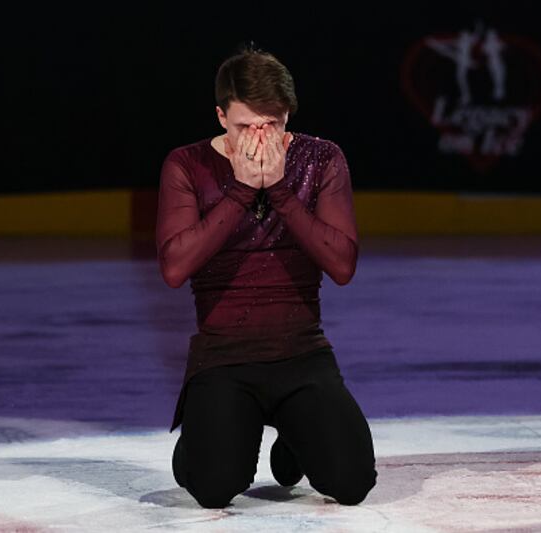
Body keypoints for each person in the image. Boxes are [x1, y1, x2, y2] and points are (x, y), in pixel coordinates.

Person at [155, 42, 377, 509]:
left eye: (271, 125)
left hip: (301, 352)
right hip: (223, 357)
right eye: (244, 127)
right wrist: (239, 190)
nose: (260, 139)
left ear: (287, 117)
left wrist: (279, 190)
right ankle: (198, 440)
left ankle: (294, 435)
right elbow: (174, 268)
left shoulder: (321, 158)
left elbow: (342, 266)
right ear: (220, 117)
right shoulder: (187, 164)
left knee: (352, 483)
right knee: (213, 489)